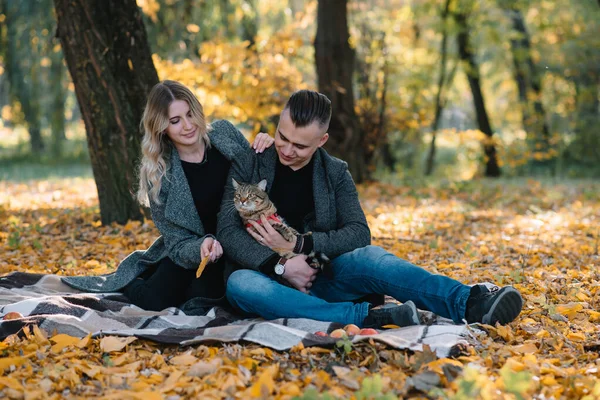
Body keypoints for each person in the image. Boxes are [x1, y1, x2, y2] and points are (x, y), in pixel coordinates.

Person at [217, 90, 523, 328]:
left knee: (372, 257)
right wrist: (280, 265)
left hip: (320, 270)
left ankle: (468, 302)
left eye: (300, 146)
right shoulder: (252, 160)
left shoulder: (335, 172)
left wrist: (301, 245)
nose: (286, 149)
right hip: (265, 276)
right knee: (240, 284)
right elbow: (227, 229)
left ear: (321, 141)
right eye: (282, 137)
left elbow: (359, 233)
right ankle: (365, 317)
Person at [61, 80, 273, 314]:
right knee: (155, 301)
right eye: (175, 121)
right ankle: (133, 278)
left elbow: (261, 180)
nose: (188, 125)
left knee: (205, 298)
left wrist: (270, 148)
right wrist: (201, 246)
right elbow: (176, 241)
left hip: (238, 244)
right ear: (161, 127)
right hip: (195, 251)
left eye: (190, 114)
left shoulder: (224, 133)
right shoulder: (159, 174)